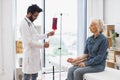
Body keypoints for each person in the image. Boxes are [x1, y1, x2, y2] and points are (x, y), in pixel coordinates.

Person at [19, 4, 54, 80]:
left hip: (34, 55)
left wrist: (47, 35)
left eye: (37, 16)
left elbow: (36, 36)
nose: (36, 18)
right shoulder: (24, 24)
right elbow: (29, 42)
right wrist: (43, 45)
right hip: (29, 55)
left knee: (35, 76)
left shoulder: (30, 23)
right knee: (27, 76)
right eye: (35, 16)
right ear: (29, 13)